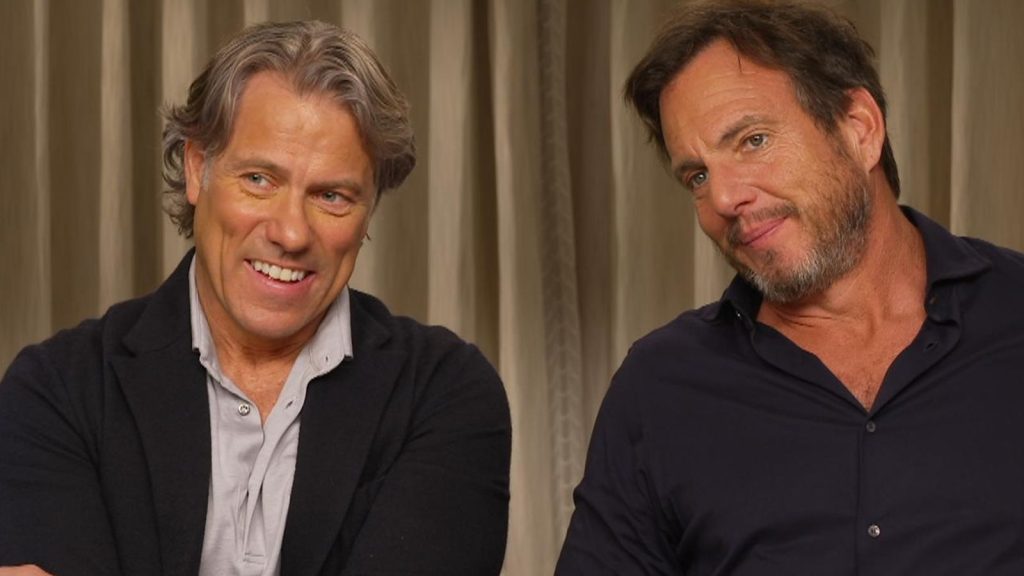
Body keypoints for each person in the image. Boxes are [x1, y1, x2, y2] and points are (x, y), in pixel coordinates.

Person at [0, 21, 511, 576]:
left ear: (369, 213)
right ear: (197, 169)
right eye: (260, 179)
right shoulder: (58, 390)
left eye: (332, 195)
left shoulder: (444, 395)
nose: (291, 233)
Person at [556, 0, 1024, 574]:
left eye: (752, 141)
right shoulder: (659, 386)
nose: (724, 198)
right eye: (698, 175)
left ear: (859, 129)